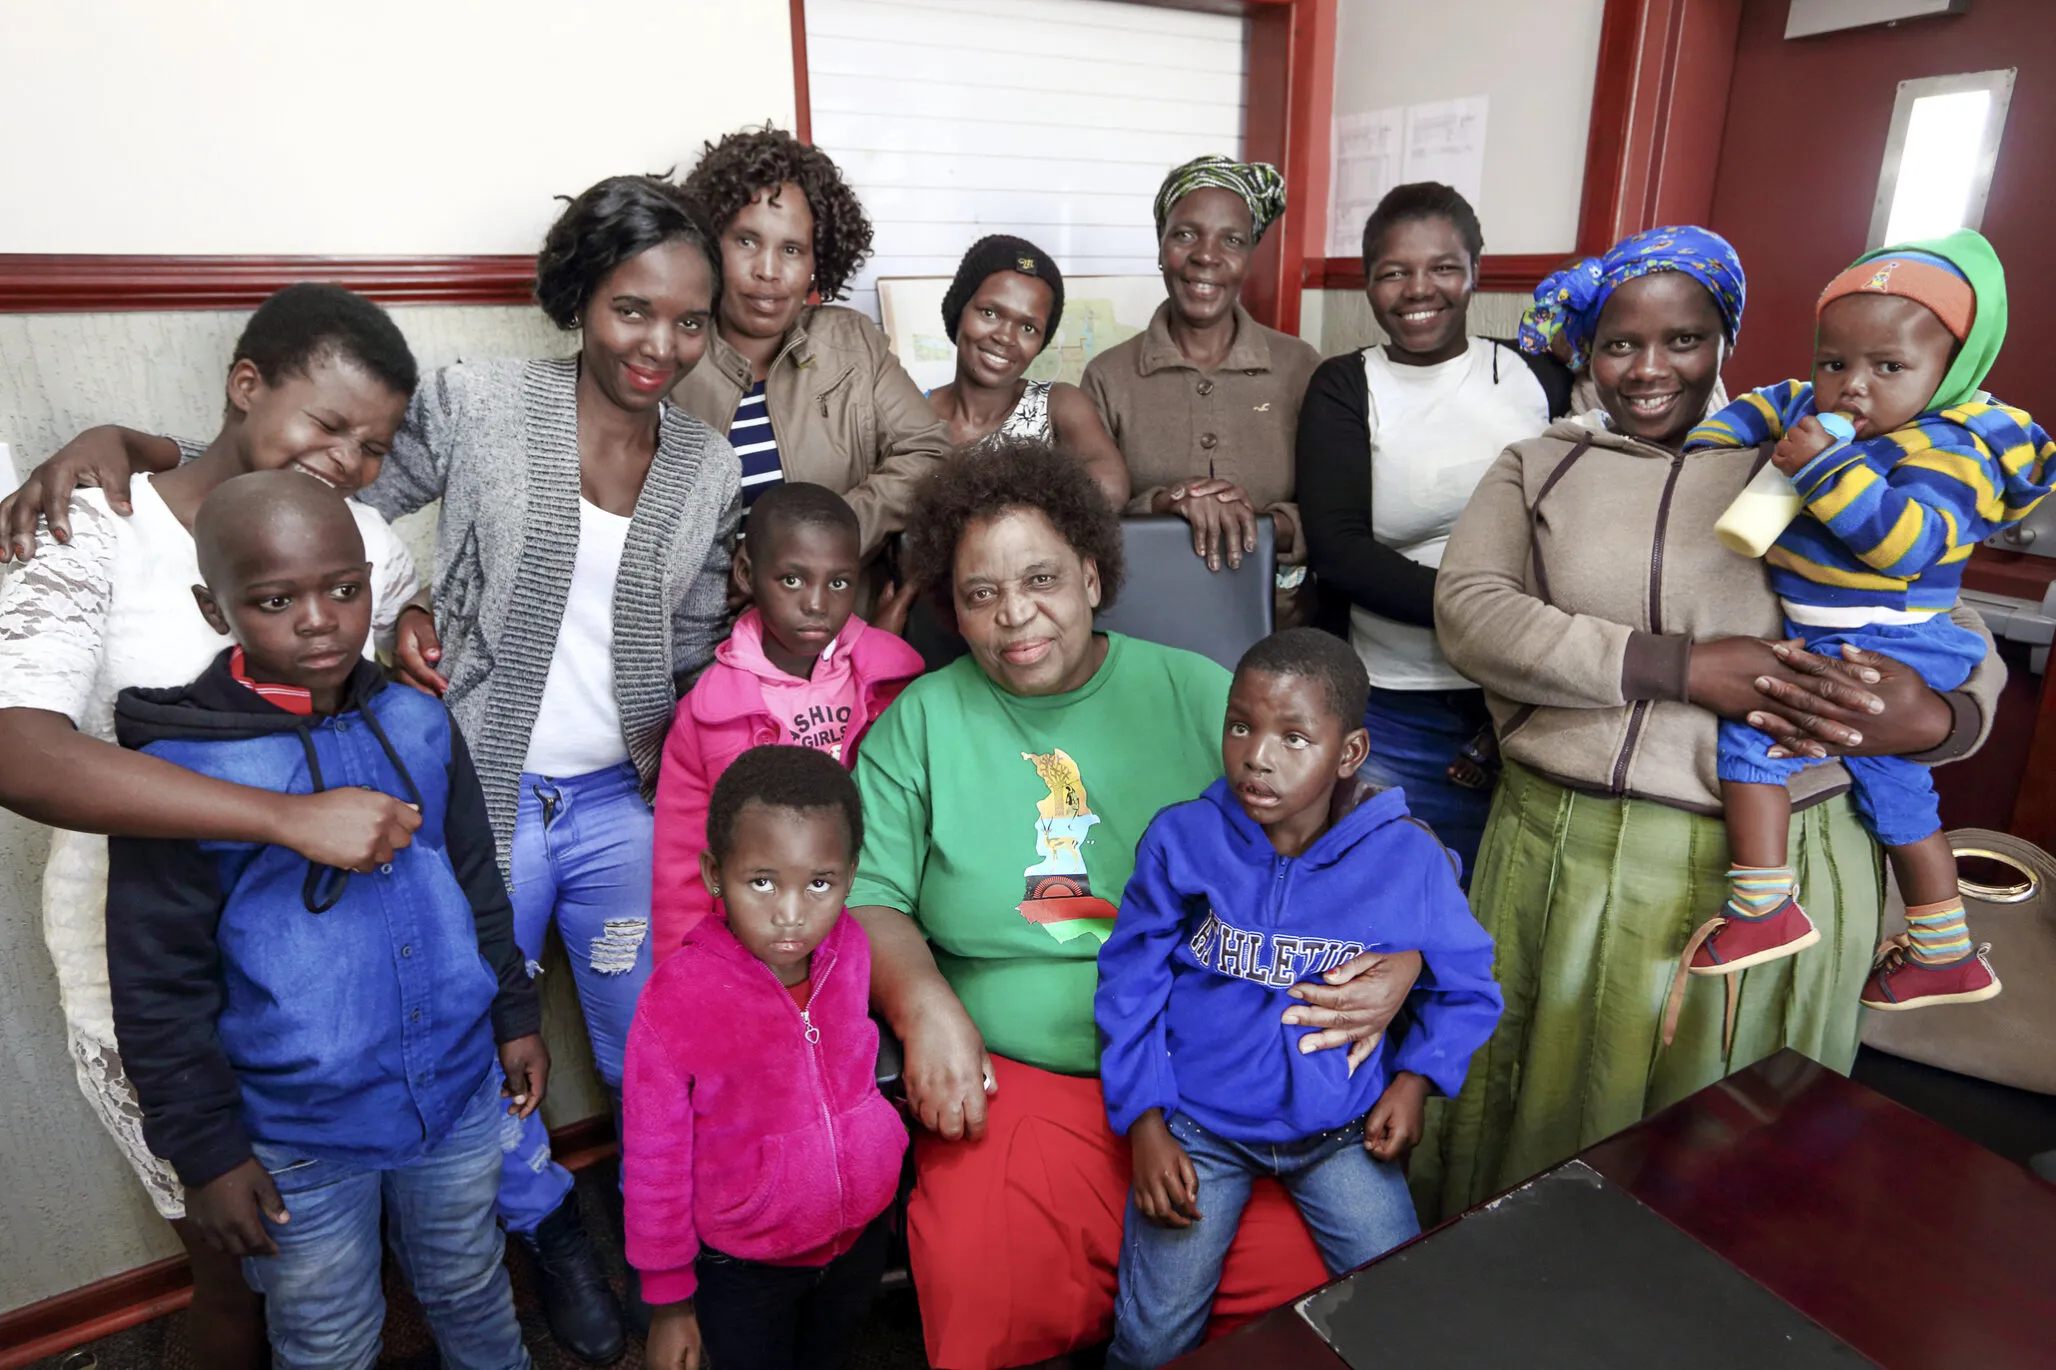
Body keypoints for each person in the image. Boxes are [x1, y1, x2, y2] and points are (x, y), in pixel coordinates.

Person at [4, 174, 740, 1358]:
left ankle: (610, 1249)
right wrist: (125, 448)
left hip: (517, 861)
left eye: (688, 319)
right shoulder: (473, 406)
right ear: (580, 299)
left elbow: (333, 529)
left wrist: (407, 624)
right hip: (314, 867)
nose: (660, 341)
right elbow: (269, 504)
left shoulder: (689, 468)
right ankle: (495, 1242)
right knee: (263, 1242)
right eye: (631, 306)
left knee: (554, 1081)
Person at [1419, 225, 2007, 1221]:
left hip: (1790, 859)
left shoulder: (1808, 451)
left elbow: (1943, 617)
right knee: (1547, 1128)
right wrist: (1675, 665)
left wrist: (1942, 714)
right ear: (1585, 349)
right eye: (1619, 343)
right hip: (1573, 851)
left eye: (1684, 339)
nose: (1649, 370)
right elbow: (1471, 611)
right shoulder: (1538, 464)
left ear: (1726, 339)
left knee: (1731, 1158)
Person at [846, 439, 1423, 1369]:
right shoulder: (921, 719)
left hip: (1214, 1063)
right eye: (980, 593)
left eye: (1040, 578)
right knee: (976, 1279)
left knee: (1314, 1286)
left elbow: (1361, 841)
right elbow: (870, 896)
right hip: (1019, 1073)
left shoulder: (1201, 693)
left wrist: (1403, 962)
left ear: (1089, 571)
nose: (1015, 615)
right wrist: (925, 1012)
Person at [0, 284, 427, 1370]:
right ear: (246, 385)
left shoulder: (366, 533)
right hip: (149, 964)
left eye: (373, 444)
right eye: (327, 424)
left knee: (321, 1244)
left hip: (313, 964)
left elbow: (379, 638)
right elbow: (21, 748)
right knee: (232, 1260)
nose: (347, 461)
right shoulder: (94, 520)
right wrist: (281, 818)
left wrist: (411, 626)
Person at [105, 472, 537, 1370]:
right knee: (328, 1335)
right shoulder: (183, 774)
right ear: (214, 609)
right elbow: (156, 981)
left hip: (454, 1095)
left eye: (344, 589)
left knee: (470, 1284)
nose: (319, 620)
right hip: (297, 1134)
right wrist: (209, 1155)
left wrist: (513, 1013)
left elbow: (472, 876)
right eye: (273, 600)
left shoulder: (417, 720)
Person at [1095, 628, 1503, 1369]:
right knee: (1151, 1340)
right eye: (1241, 726)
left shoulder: (1404, 857)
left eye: (1293, 737)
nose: (1257, 755)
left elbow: (1468, 986)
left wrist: (1414, 1082)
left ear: (1348, 753)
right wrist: (1145, 1121)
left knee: (1402, 1309)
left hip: (1340, 1132)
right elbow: (1130, 979)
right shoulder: (1182, 839)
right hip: (1201, 1129)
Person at [1682, 229, 2048, 1011]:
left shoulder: (1957, 446)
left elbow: (1903, 545)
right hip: (1836, 630)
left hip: (1895, 633)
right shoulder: (1812, 406)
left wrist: (1820, 468)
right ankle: (1944, 951)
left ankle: (1762, 907)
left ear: (1953, 371)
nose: (1851, 388)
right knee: (1898, 791)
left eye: (1889, 368)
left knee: (1752, 737)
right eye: (1833, 362)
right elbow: (1747, 414)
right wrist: (1711, 456)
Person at [1295, 183, 1574, 878]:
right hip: (1401, 704)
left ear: (1475, 271)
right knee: (1394, 905)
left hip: (1538, 706)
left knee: (1510, 911)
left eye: (1443, 267)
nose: (1419, 289)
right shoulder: (1345, 386)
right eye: (1394, 272)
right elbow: (1340, 551)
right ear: (1367, 284)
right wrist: (1494, 619)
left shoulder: (1537, 377)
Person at [628, 745, 907, 1370]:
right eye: (761, 882)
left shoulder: (852, 949)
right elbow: (655, 1159)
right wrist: (670, 1305)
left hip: (857, 1238)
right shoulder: (676, 1000)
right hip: (746, 1267)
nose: (790, 914)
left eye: (819, 884)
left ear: (850, 874)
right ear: (712, 874)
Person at [650, 482, 922, 959]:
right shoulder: (712, 711)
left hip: (879, 924)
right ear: (746, 573)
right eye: (793, 580)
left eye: (838, 582)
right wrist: (687, 968)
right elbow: (683, 865)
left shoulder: (896, 681)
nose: (817, 603)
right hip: (762, 943)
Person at [675, 125, 949, 556]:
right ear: (711, 244)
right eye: (747, 241)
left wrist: (822, 536)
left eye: (791, 250)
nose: (768, 270)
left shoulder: (854, 343)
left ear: (815, 263)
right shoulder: (669, 354)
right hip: (704, 621)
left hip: (844, 619)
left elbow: (930, 454)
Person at [1082, 155, 1321, 600]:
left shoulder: (1301, 367)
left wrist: (1257, 523)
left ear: (1250, 257)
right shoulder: (1107, 376)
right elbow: (1081, 515)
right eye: (1186, 234)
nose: (1206, 256)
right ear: (1160, 246)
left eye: (1231, 240)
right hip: (1144, 617)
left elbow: (1336, 515)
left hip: (1280, 627)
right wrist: (1163, 504)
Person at [926, 233, 1129, 507]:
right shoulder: (914, 411)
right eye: (990, 313)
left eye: (1028, 328)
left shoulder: (1057, 405)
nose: (1006, 338)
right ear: (958, 311)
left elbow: (1111, 487)